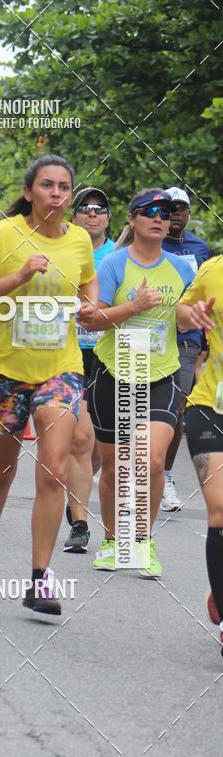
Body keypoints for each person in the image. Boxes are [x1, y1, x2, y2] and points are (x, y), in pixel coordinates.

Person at [0, 154, 98, 613]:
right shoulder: (3, 234)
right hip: (2, 370)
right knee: (0, 472)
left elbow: (87, 291)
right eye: (47, 186)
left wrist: (94, 308)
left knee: (54, 469)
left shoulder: (80, 241)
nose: (56, 194)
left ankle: (40, 577)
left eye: (63, 187)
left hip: (60, 368)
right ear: (29, 192)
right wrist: (18, 277)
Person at [81, 188, 194, 578]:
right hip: (113, 372)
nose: (160, 218)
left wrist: (194, 317)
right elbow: (90, 320)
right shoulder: (114, 265)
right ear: (132, 220)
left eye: (166, 212)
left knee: (152, 459)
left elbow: (184, 319)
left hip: (161, 375)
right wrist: (134, 307)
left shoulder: (182, 269)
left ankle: (143, 541)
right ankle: (113, 540)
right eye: (150, 211)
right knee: (113, 469)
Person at [64, 187, 115, 552]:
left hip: (108, 355)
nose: (92, 213)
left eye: (100, 209)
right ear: (75, 215)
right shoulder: (62, 249)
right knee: (81, 440)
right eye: (85, 208)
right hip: (70, 354)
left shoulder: (119, 257)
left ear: (108, 217)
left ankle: (76, 488)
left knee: (97, 447)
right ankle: (80, 524)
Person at [176, 258, 223, 654]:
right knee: (220, 508)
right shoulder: (213, 270)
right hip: (211, 406)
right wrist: (189, 313)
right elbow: (180, 314)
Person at [160, 187, 211, 511]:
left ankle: (164, 476)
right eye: (169, 207)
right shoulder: (148, 242)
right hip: (148, 336)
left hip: (187, 340)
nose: (176, 213)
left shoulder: (200, 249)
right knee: (140, 405)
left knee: (174, 407)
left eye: (181, 208)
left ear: (189, 213)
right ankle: (130, 472)